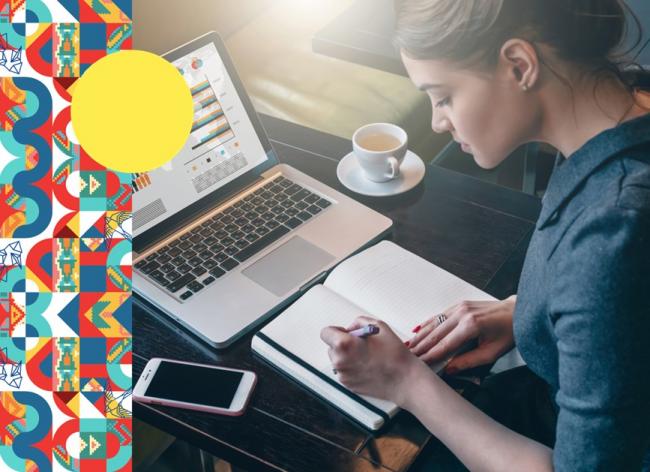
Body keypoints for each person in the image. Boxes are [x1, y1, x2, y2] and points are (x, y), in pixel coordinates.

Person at [320, 0, 650, 470]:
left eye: (444, 95)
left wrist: (405, 380)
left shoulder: (614, 230)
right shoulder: (624, 105)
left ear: (519, 64)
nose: (437, 121)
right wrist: (528, 312)